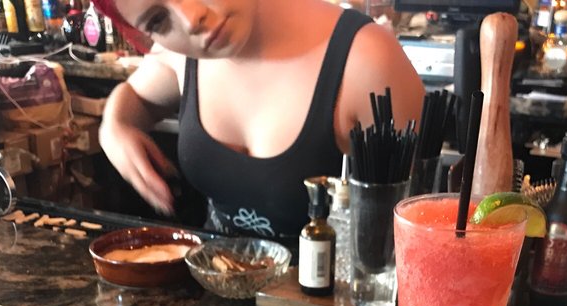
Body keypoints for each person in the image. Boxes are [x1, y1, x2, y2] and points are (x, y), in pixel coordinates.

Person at [93, 0, 424, 240]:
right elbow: (135, 96)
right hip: (218, 297)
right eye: (158, 20)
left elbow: (414, 234)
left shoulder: (366, 60)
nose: (191, 19)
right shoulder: (181, 56)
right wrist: (114, 125)